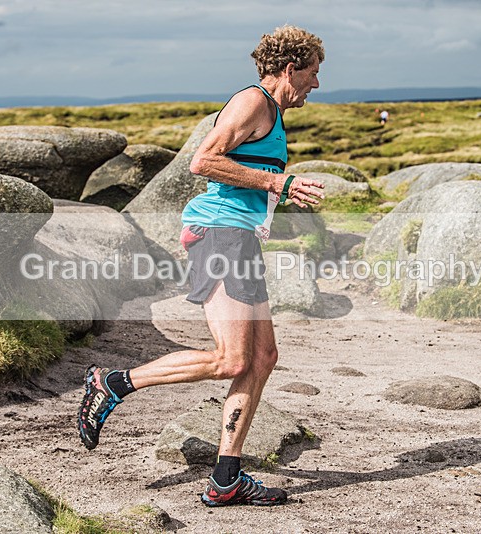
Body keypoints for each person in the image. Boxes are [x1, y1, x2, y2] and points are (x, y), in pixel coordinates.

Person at [77, 25, 325, 507]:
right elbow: (202, 160)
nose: (317, 85)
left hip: (239, 240)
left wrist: (272, 189)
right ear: (291, 68)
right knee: (231, 359)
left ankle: (227, 477)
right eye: (314, 73)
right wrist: (278, 184)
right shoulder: (252, 102)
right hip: (220, 237)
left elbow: (237, 171)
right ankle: (112, 383)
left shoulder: (270, 112)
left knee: (263, 359)